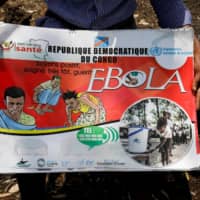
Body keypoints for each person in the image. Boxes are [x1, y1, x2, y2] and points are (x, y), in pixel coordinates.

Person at [18, 0, 200, 199]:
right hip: (57, 37)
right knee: (30, 129)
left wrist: (184, 33)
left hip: (124, 39)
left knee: (133, 125)